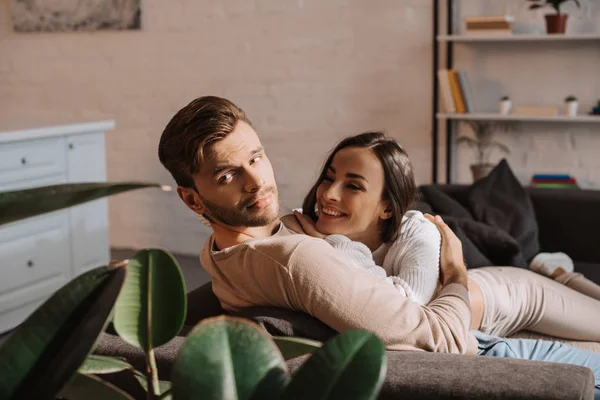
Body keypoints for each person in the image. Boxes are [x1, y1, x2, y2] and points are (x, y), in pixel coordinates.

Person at [158, 96, 600, 395]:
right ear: (191, 198)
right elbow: (440, 339)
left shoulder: (218, 253)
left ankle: (557, 270)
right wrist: (458, 274)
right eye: (227, 175)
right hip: (483, 308)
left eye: (256, 157)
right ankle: (554, 271)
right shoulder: (297, 259)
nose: (258, 181)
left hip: (486, 305)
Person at [286, 131, 600, 344]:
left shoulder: (416, 229)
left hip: (514, 298)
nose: (328, 193)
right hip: (475, 329)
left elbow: (403, 311)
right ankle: (558, 272)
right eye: (329, 178)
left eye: (352, 186)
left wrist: (334, 245)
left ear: (386, 207)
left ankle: (557, 272)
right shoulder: (306, 225)